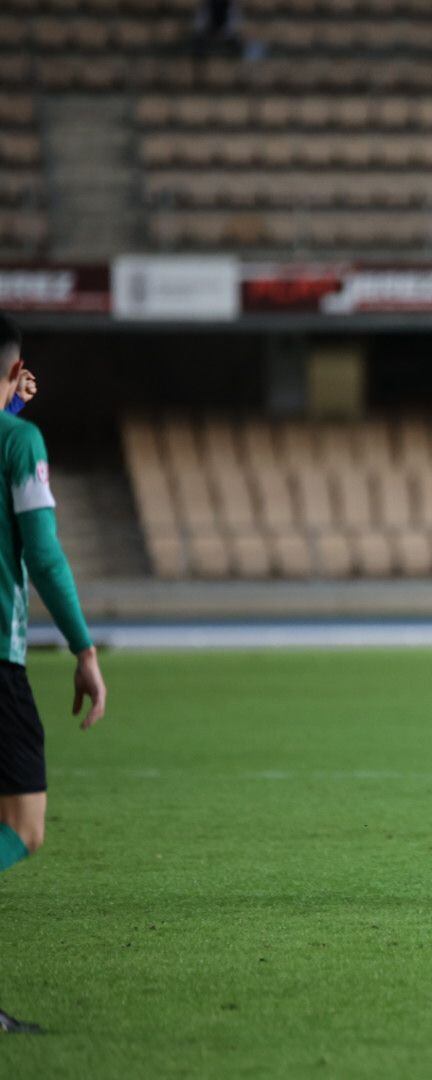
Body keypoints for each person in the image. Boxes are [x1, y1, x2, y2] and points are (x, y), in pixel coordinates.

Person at [0, 314, 107, 1036]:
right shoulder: (20, 442)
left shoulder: (11, 424)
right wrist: (83, 647)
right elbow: (41, 554)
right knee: (23, 827)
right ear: (16, 368)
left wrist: (8, 404)